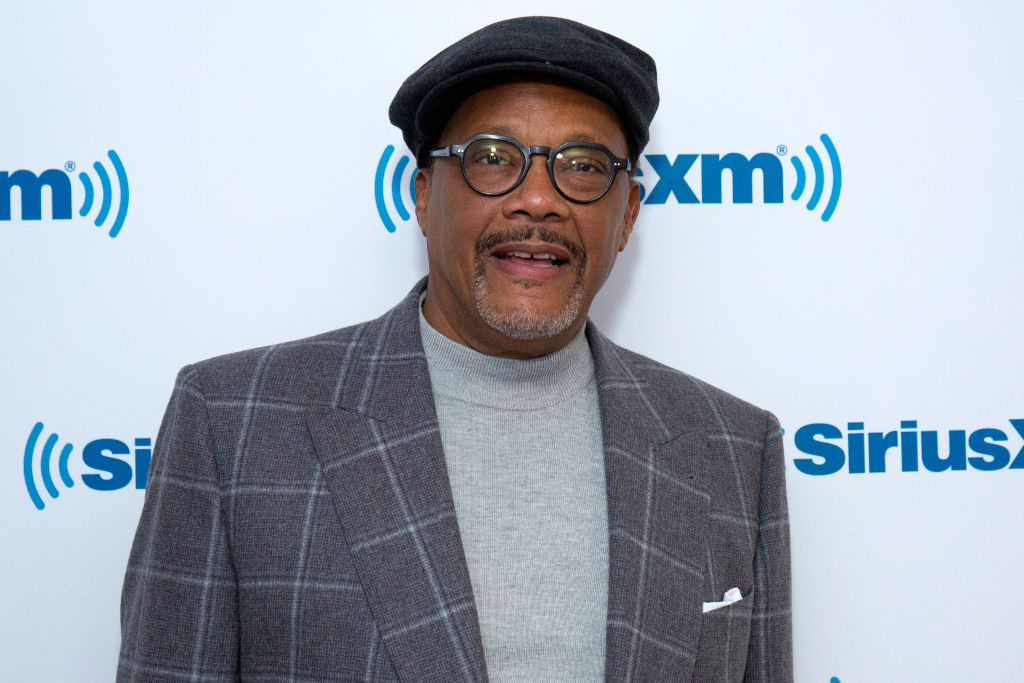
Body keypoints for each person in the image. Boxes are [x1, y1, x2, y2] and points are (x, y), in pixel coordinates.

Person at [117, 16, 791, 682]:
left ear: (627, 217)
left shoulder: (733, 448)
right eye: (493, 158)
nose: (537, 200)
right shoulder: (234, 425)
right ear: (422, 194)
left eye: (581, 167)